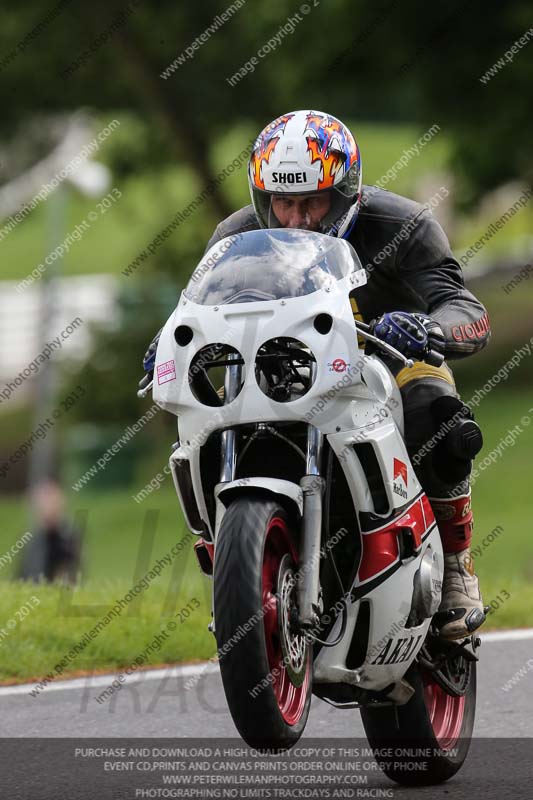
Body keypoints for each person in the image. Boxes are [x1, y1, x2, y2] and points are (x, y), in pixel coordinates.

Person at [144, 110, 491, 640]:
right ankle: (237, 564)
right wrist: (165, 341)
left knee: (436, 412)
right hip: (284, 367)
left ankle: (458, 568)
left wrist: (429, 327)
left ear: (346, 192)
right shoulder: (233, 235)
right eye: (284, 203)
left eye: (312, 202)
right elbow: (197, 310)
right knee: (206, 422)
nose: (297, 219)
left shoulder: (403, 225)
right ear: (265, 199)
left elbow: (467, 309)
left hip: (391, 364)